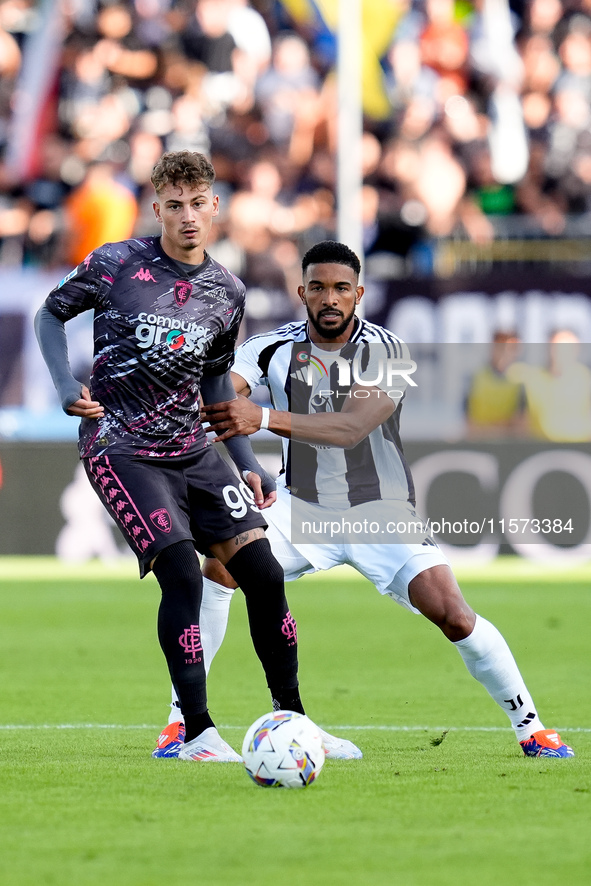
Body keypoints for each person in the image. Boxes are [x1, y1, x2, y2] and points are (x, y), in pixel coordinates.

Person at [155, 240, 574, 761]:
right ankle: (182, 724)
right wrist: (244, 457)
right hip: (300, 506)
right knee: (219, 572)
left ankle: (530, 727)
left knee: (454, 616)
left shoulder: (391, 350)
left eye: (341, 289)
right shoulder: (269, 348)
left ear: (359, 294)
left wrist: (260, 418)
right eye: (319, 288)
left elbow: (352, 427)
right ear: (301, 291)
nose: (330, 298)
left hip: (382, 512)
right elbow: (220, 397)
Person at [34, 151, 357, 764]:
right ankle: (196, 732)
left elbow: (214, 385)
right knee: (182, 572)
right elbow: (49, 315)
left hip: (197, 448)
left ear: (214, 207)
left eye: (197, 204)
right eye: (173, 206)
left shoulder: (226, 292)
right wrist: (62, 385)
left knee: (263, 574)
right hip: (122, 445)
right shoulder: (115, 264)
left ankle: (295, 719)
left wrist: (246, 460)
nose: (186, 216)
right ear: (157, 208)